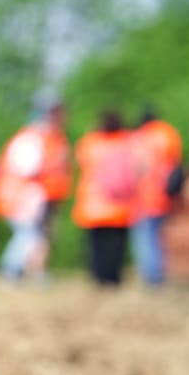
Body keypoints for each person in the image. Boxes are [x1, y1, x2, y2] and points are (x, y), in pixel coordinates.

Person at [0, 95, 70, 282]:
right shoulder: (30, 138)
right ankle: (9, 270)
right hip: (18, 199)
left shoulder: (45, 138)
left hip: (28, 198)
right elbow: (28, 169)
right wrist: (54, 164)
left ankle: (21, 272)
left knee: (31, 234)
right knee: (27, 234)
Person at [71, 111, 139, 286]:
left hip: (93, 204)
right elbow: (138, 168)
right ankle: (113, 277)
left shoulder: (90, 142)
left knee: (97, 244)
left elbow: (79, 159)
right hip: (120, 204)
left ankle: (99, 276)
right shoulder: (127, 142)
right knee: (117, 244)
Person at [130, 107, 182, 285]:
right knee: (160, 235)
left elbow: (136, 166)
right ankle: (160, 273)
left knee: (145, 236)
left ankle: (150, 276)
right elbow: (176, 163)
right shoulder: (169, 133)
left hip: (144, 195)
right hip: (165, 194)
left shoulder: (140, 137)